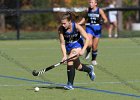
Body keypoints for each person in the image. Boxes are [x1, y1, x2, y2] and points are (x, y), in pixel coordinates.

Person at [58, 12, 95, 90]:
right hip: (69, 47)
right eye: (62, 23)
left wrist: (83, 50)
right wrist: (64, 56)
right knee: (78, 67)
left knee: (70, 60)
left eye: (64, 23)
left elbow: (87, 38)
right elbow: (62, 43)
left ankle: (70, 84)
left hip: (78, 46)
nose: (63, 25)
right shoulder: (61, 29)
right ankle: (89, 69)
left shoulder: (77, 27)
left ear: (69, 22)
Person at [78, 0, 108, 65]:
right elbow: (84, 18)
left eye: (92, 2)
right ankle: (88, 51)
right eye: (90, 2)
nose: (90, 4)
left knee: (94, 46)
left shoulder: (99, 10)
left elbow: (105, 19)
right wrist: (78, 24)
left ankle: (93, 60)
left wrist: (102, 22)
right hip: (89, 28)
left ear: (95, 4)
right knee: (89, 44)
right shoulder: (87, 10)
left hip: (97, 29)